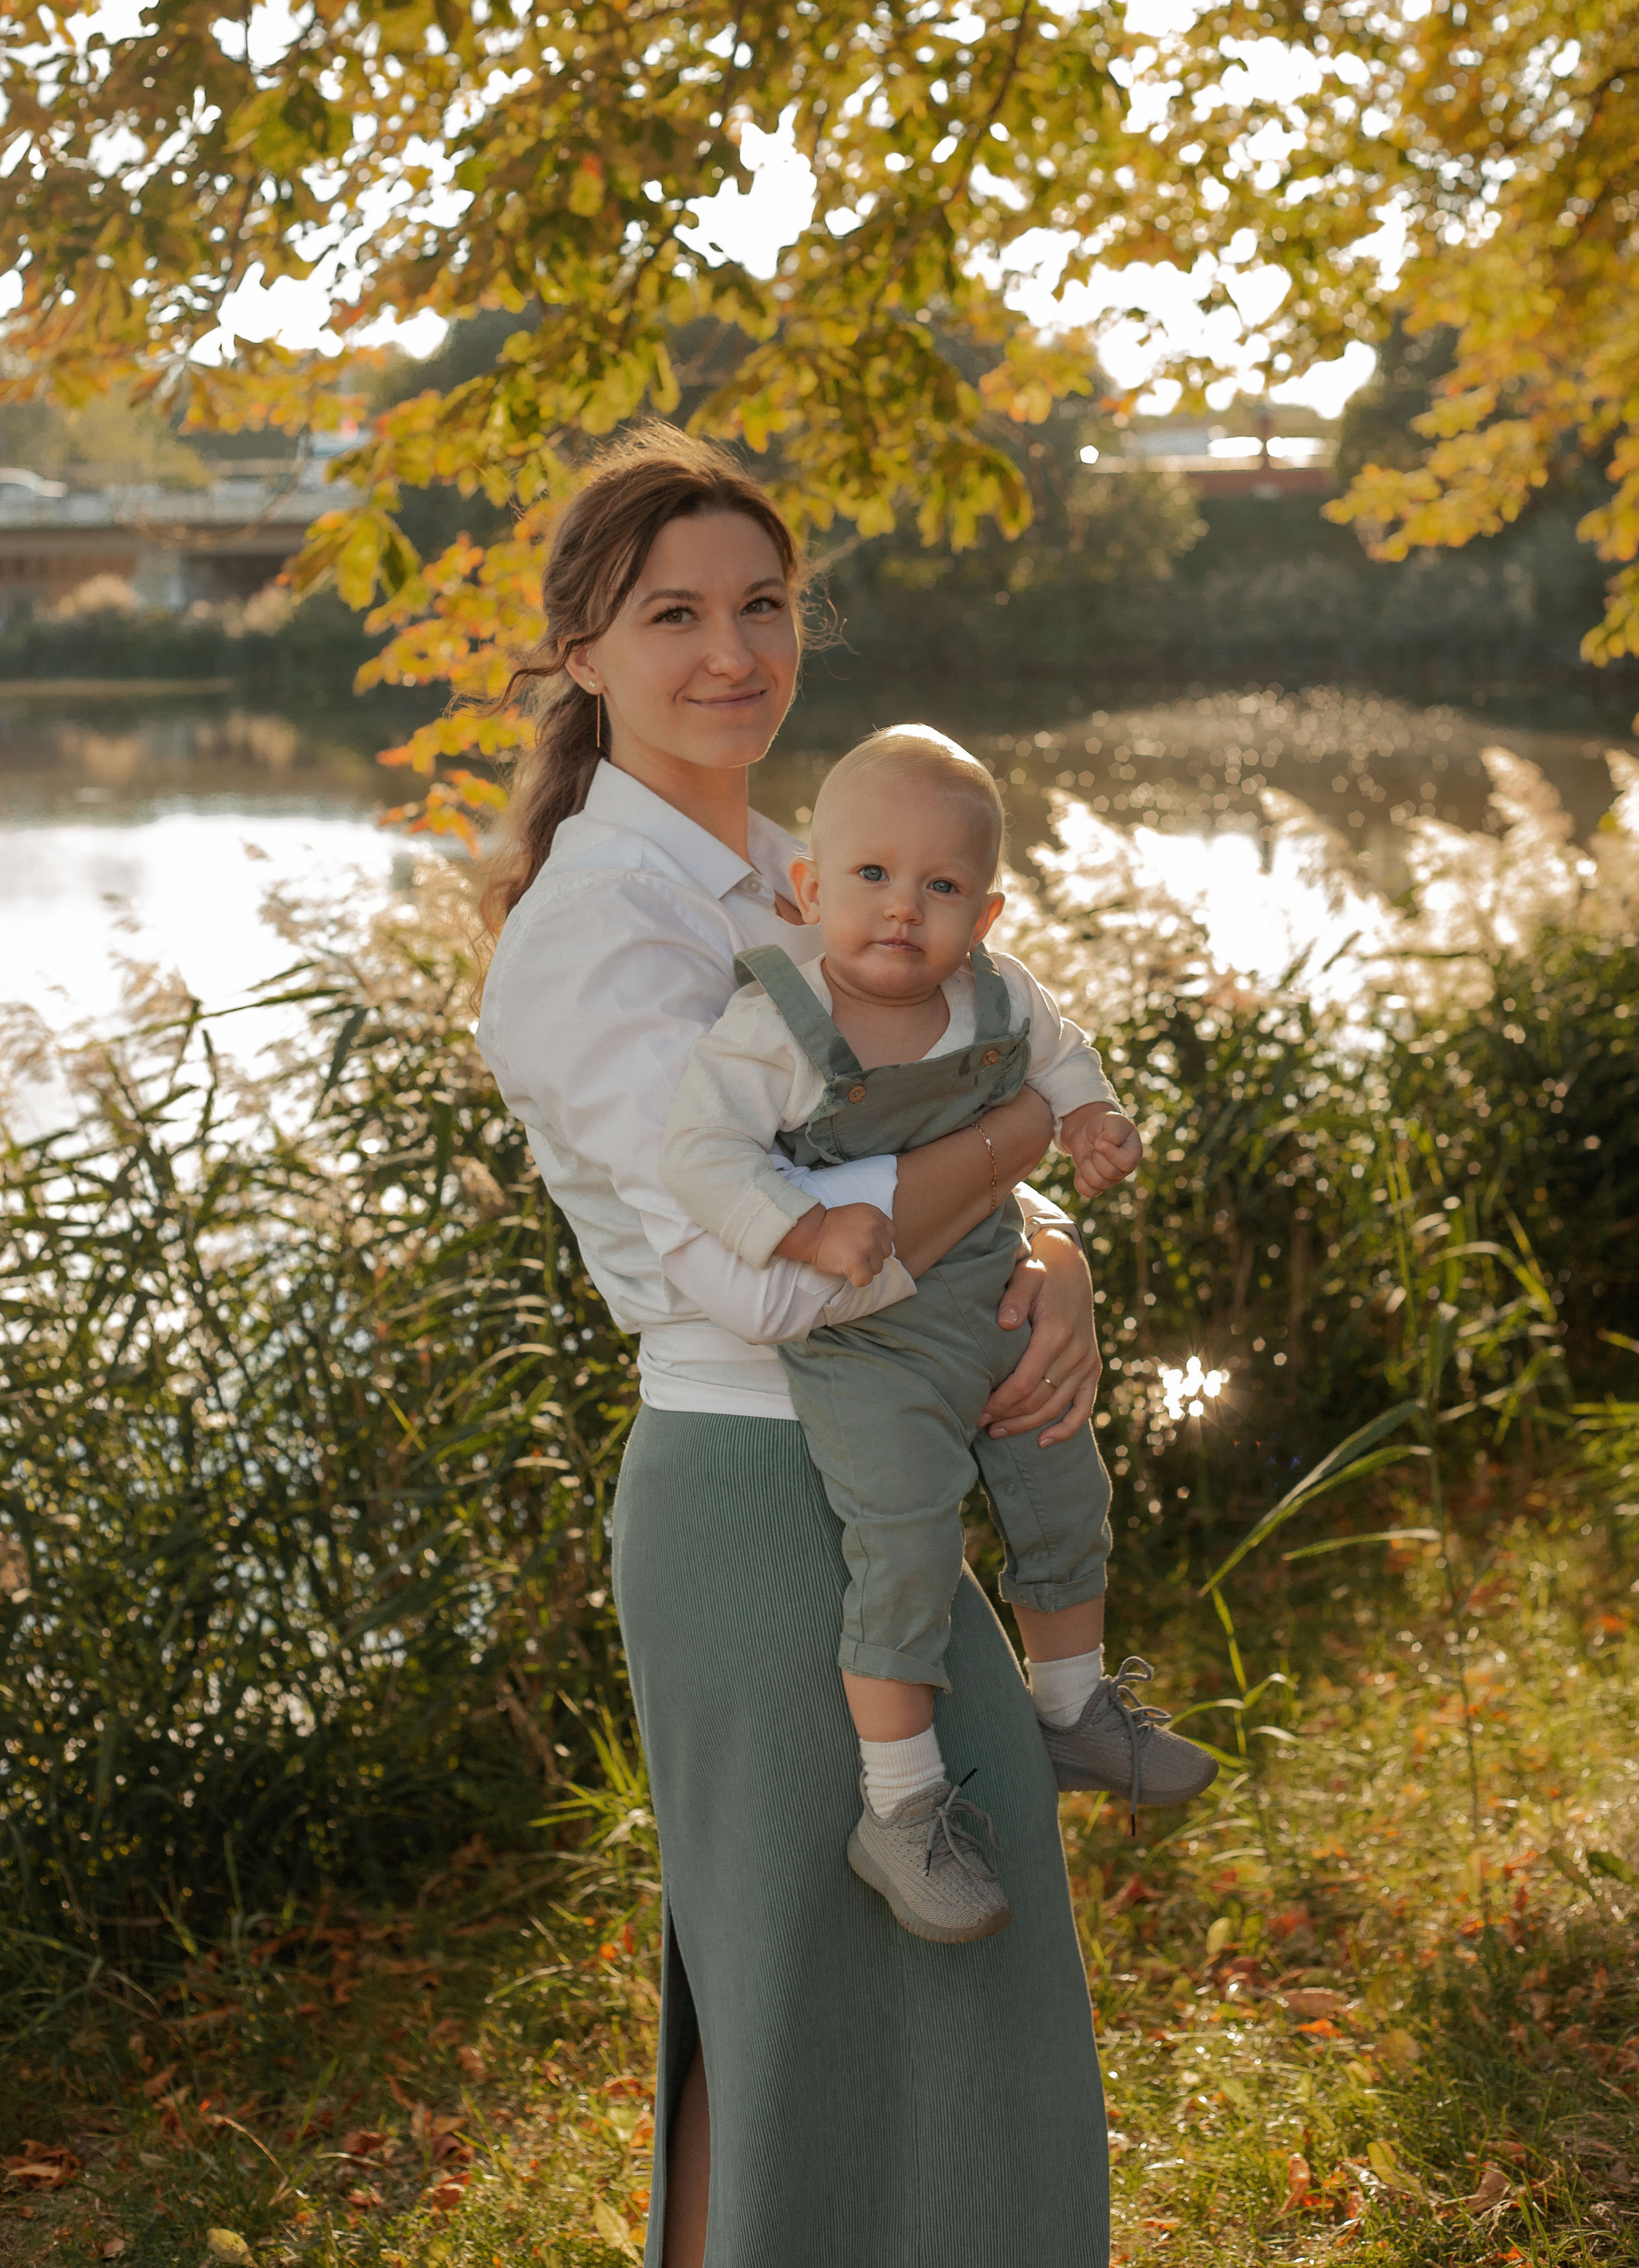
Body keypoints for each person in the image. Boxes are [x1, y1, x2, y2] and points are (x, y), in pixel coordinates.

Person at [475, 424, 1118, 2268]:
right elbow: (761, 1276)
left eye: (762, 603)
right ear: (581, 653)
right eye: (670, 612)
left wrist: (1048, 1249)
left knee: (829, 2040)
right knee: (844, 2031)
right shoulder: (597, 936)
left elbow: (970, 1096)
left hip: (851, 1470)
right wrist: (1011, 1166)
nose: (733, 652)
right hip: (756, 1497)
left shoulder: (804, 865)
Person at [659, 725, 1214, 1944]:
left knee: (1067, 1484)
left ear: (987, 910)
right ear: (810, 889)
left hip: (991, 1296)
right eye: (870, 877)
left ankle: (1072, 1704)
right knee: (904, 1547)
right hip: (872, 1348)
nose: (903, 909)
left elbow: (1066, 1066)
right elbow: (696, 1161)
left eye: (941, 887)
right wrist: (803, 1234)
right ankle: (899, 1808)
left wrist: (1096, 1122)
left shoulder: (1003, 997)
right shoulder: (779, 1029)